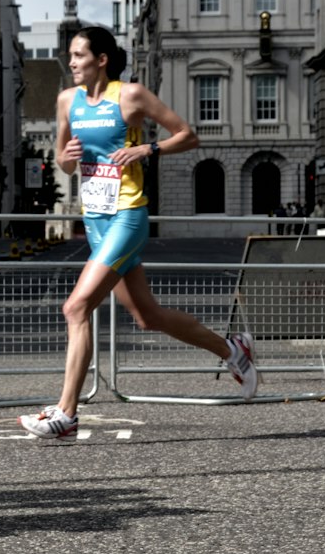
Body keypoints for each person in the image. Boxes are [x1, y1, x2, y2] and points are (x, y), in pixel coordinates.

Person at [18, 27, 258, 440]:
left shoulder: (130, 95)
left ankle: (66, 414)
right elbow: (64, 163)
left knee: (75, 308)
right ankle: (232, 350)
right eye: (70, 55)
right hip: (95, 218)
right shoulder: (66, 100)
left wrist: (148, 149)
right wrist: (67, 157)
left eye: (78, 55)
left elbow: (188, 134)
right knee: (147, 317)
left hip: (128, 215)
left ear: (102, 59)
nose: (71, 62)